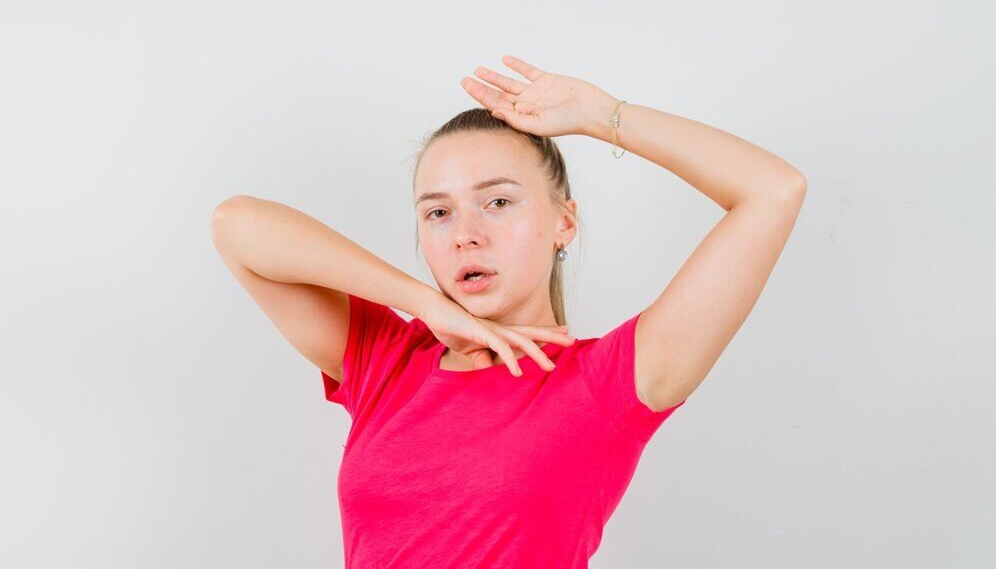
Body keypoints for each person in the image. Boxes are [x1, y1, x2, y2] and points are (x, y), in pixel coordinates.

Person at [210, 55, 807, 567]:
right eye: (438, 213)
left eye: (497, 201)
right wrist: (422, 303)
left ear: (563, 222)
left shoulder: (606, 383)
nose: (465, 234)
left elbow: (772, 191)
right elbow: (237, 225)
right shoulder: (389, 362)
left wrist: (604, 117)